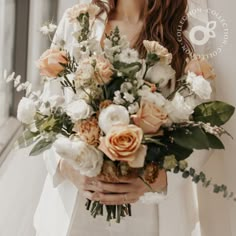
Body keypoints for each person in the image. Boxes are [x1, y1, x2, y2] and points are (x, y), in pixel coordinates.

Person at [34, 1, 211, 236]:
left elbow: (205, 126)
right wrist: (65, 167)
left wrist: (161, 178)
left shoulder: (187, 31)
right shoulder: (77, 20)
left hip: (149, 214)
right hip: (74, 208)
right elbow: (47, 108)